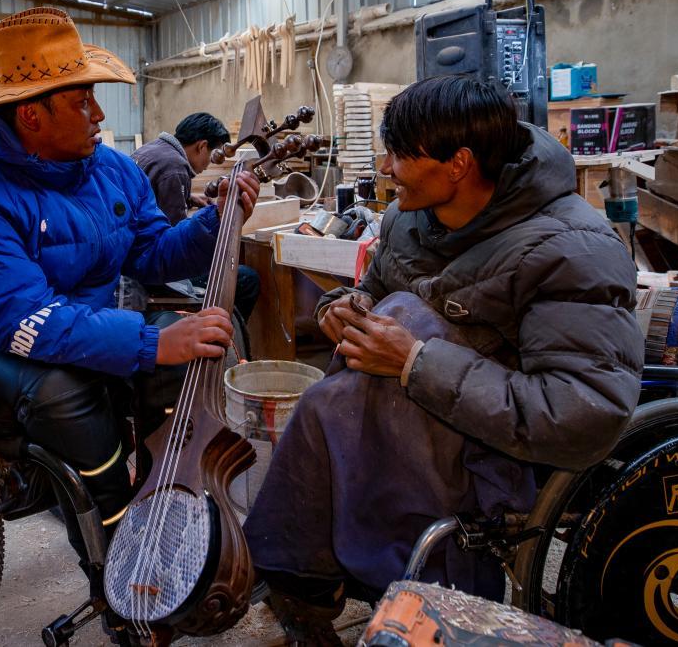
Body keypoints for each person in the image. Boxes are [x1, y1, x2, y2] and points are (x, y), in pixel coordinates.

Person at [242, 76, 644, 645]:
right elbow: (375, 293)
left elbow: (580, 414)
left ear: (458, 164)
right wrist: (342, 308)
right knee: (329, 402)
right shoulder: (410, 219)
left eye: (400, 155)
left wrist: (415, 361)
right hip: (402, 414)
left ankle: (388, 591)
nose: (385, 168)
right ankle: (304, 576)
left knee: (361, 377)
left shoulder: (573, 249)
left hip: (501, 450)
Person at [0, 7, 259, 584]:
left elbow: (151, 254)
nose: (99, 114)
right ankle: (116, 551)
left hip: (82, 317)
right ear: (32, 115)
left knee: (189, 357)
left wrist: (213, 222)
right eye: (82, 102)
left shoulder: (111, 171)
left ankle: (166, 498)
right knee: (62, 390)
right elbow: (20, 320)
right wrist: (150, 343)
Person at [132, 113, 261, 321]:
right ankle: (222, 333)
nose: (209, 165)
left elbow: (151, 195)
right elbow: (176, 246)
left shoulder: (153, 149)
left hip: (133, 258)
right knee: (247, 279)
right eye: (212, 155)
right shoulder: (175, 168)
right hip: (149, 272)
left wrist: (189, 199)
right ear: (202, 146)